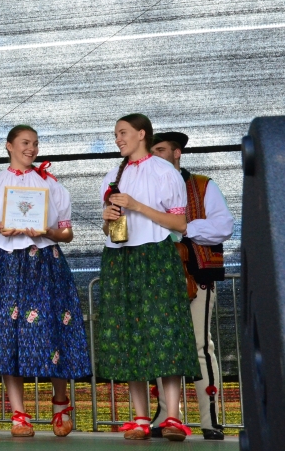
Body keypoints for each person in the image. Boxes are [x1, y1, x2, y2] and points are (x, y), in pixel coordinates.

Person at [0, 125, 90, 437]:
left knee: (50, 328)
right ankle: (19, 413)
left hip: (44, 262)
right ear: (9, 145)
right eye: (25, 143)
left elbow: (67, 233)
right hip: (3, 265)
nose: (31, 149)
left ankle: (60, 402)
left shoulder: (51, 185)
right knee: (8, 334)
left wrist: (45, 231)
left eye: (35, 143)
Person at [97, 114, 200, 442]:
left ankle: (173, 417)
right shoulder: (113, 175)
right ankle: (140, 418)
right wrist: (107, 217)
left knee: (165, 334)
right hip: (120, 259)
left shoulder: (164, 172)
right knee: (128, 335)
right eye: (115, 134)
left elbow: (180, 225)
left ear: (142, 133)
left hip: (156, 257)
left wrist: (137, 205)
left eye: (123, 132)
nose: (117, 139)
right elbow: (108, 231)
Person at [151, 132, 234, 440]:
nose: (155, 155)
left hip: (196, 276)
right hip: (157, 279)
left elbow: (223, 226)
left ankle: (209, 418)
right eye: (152, 151)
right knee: (161, 347)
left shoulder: (202, 185)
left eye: (160, 149)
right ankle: (165, 415)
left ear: (177, 153)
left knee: (200, 346)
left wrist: (183, 227)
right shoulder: (145, 191)